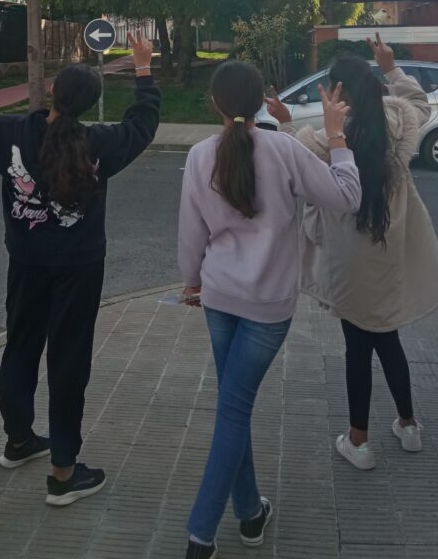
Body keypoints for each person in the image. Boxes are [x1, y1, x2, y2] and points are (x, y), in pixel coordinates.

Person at [0, 26, 160, 506]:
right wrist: (143, 70)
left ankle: (19, 439)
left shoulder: (11, 135)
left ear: (50, 91)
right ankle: (63, 472)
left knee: (21, 345)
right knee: (69, 360)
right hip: (80, 268)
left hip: (27, 262)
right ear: (89, 104)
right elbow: (143, 124)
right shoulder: (100, 144)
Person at [178, 60, 361, 559]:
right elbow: (347, 196)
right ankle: (212, 531)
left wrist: (192, 281)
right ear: (261, 101)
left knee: (232, 407)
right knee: (233, 409)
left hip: (218, 297)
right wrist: (337, 137)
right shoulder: (284, 150)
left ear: (214, 104)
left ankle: (237, 517)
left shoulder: (199, 155)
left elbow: (191, 232)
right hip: (268, 306)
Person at [265, 33, 438, 470]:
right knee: (387, 336)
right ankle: (408, 426)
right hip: (389, 254)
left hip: (349, 259)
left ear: (337, 94)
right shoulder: (398, 121)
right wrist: (390, 66)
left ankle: (359, 442)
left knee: (357, 347)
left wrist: (286, 119)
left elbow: (294, 155)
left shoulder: (329, 142)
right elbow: (418, 102)